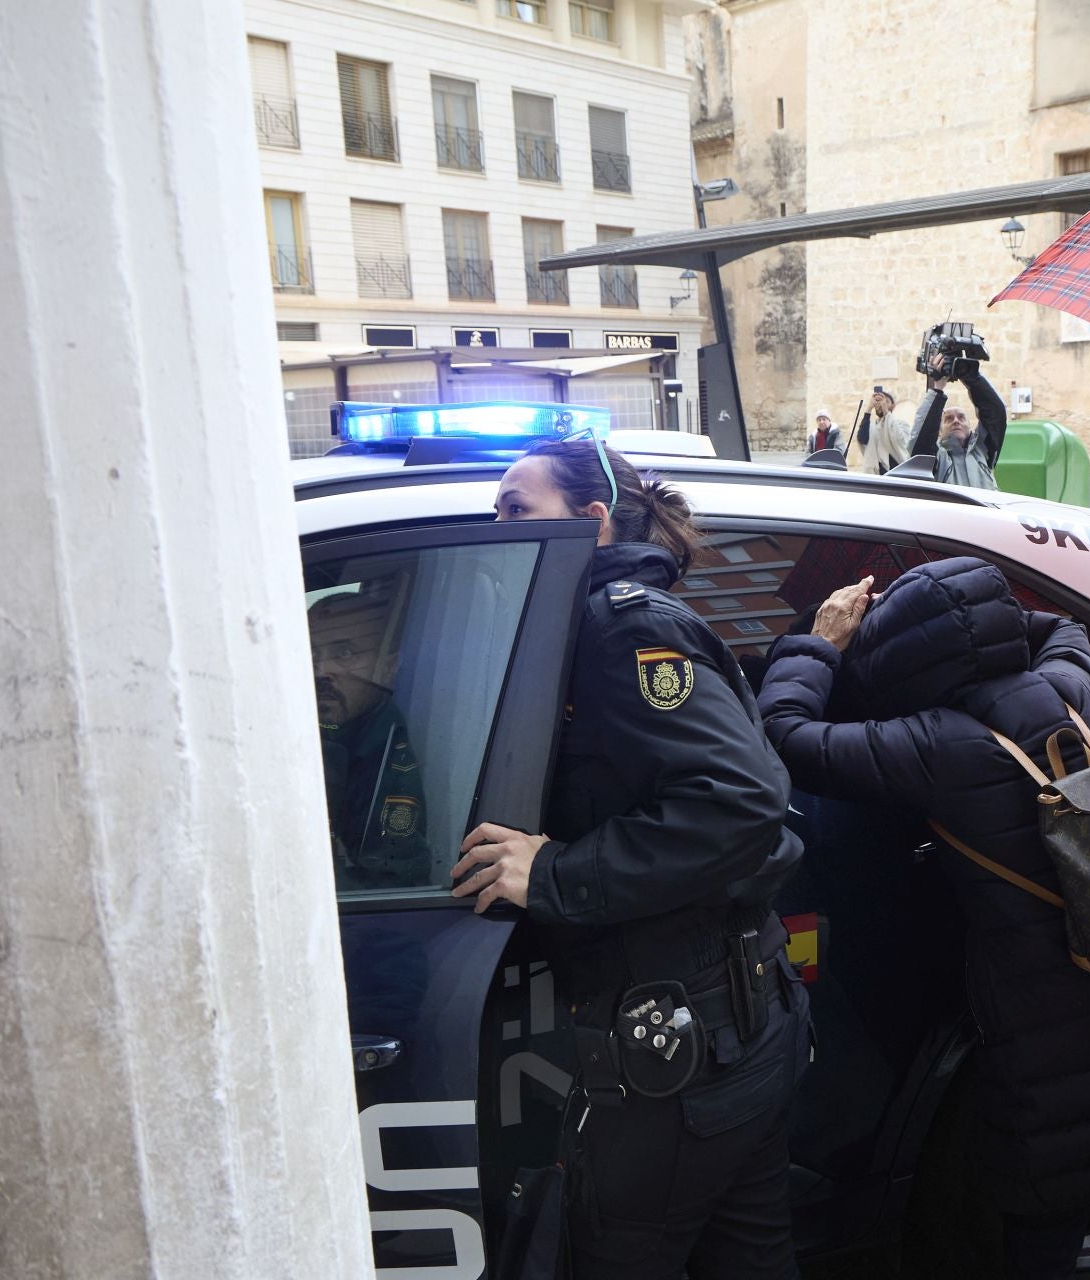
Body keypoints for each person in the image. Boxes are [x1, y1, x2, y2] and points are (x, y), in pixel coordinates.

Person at [758, 559, 1090, 1280]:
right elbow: (1068, 627)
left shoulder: (941, 747)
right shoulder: (1069, 692)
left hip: (1068, 1065)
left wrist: (824, 642)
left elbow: (784, 732)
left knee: (1041, 1233)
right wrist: (992, 615)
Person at [454, 438, 810, 1279]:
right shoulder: (577, 624)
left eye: (517, 509)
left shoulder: (619, 622)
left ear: (591, 521)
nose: (497, 525)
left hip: (683, 1060)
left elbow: (739, 798)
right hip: (727, 1030)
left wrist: (552, 874)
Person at [309, 582, 429, 891]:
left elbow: (390, 887)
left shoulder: (385, 758)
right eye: (310, 652)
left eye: (345, 653)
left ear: (387, 668)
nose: (321, 670)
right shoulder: (328, 726)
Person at [910, 353, 1007, 490]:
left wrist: (969, 376)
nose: (956, 421)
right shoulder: (938, 459)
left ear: (970, 426)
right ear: (939, 431)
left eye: (961, 417)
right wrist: (937, 389)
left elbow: (995, 412)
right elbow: (921, 441)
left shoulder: (983, 451)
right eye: (948, 419)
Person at [855, 385, 910, 475]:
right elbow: (862, 440)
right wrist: (869, 408)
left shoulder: (902, 424)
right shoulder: (871, 425)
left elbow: (900, 440)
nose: (881, 404)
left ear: (893, 406)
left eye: (886, 401)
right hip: (875, 474)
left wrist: (885, 411)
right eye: (878, 401)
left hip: (895, 473)